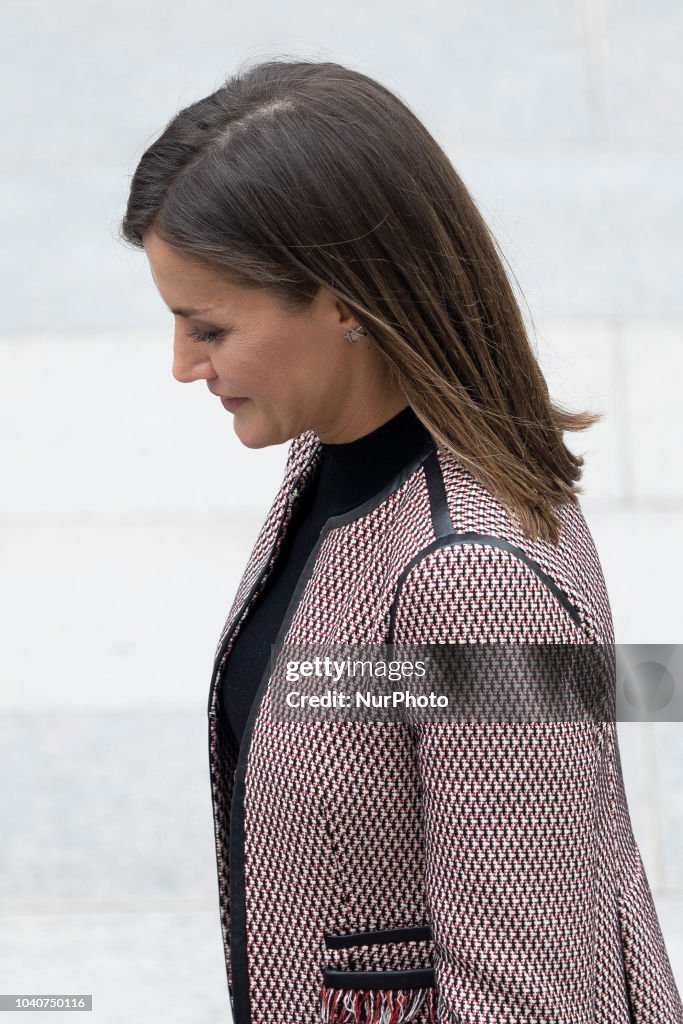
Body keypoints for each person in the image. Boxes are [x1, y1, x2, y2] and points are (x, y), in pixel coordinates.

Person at [119, 58, 682, 1024]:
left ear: (342, 304)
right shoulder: (339, 458)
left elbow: (527, 997)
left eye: (205, 326)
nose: (181, 366)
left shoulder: (470, 575)